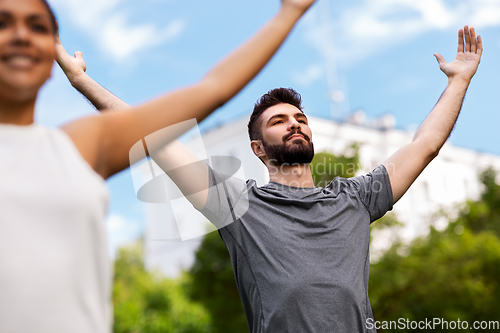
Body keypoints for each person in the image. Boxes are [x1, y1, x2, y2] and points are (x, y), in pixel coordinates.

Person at [61, 22, 482, 333]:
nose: (295, 124)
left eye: (300, 118)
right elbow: (153, 138)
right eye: (279, 121)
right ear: (258, 148)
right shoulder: (238, 207)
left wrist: (459, 81)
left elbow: (424, 145)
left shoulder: (354, 199)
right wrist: (83, 82)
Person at [0, 0, 317, 332]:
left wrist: (289, 13)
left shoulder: (76, 145)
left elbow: (213, 89)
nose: (22, 35)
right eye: (3, 23)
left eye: (37, 26)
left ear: (51, 54)